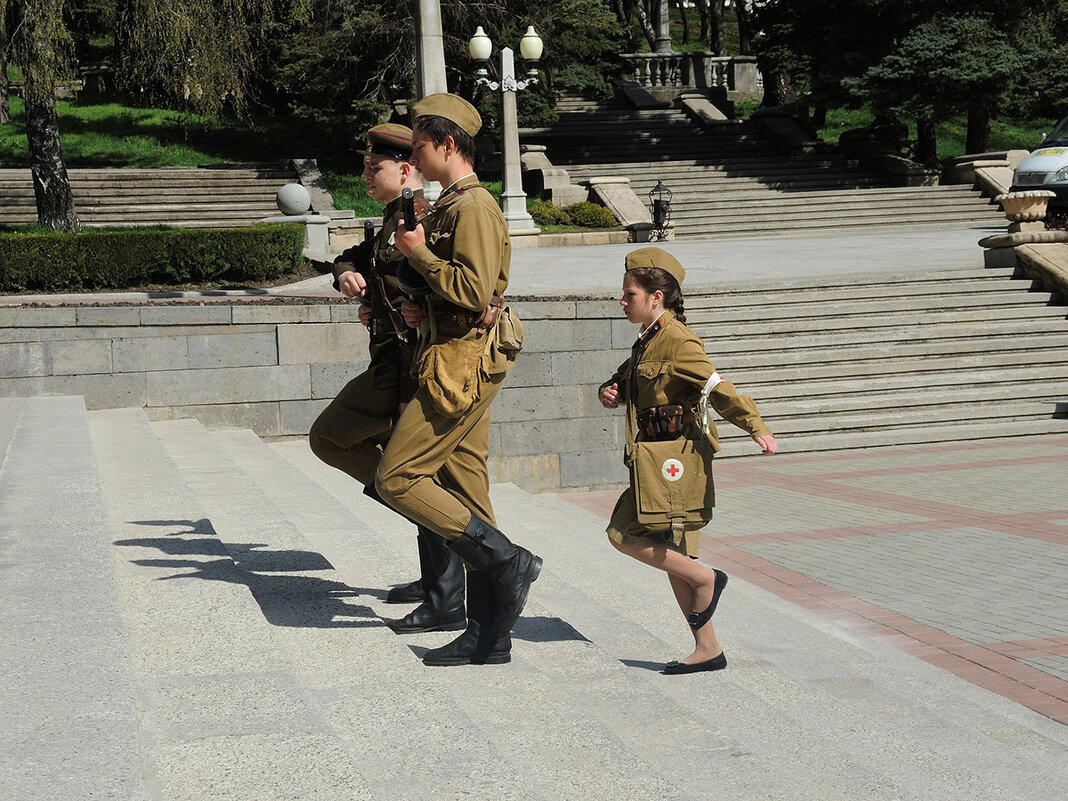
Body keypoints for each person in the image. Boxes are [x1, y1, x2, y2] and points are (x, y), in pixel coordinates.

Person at [380, 92, 541, 667]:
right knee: (469, 491)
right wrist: (422, 303)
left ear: (448, 145)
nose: (415, 158)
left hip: (460, 363)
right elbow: (465, 292)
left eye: (421, 147)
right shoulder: (452, 204)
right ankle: (489, 634)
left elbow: (474, 291)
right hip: (449, 349)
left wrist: (420, 257)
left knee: (397, 478)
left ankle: (506, 560)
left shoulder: (472, 207)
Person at [308, 124, 467, 636]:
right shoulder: (395, 215)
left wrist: (415, 307)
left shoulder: (421, 215)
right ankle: (433, 581)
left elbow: (459, 283)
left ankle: (446, 596)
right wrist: (346, 275)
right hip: (390, 360)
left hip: (411, 363)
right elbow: (364, 256)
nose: (364, 174)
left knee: (339, 440)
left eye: (372, 167)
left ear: (405, 170)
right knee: (413, 474)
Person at [599, 247, 778, 675]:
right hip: (655, 457)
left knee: (622, 533)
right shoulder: (649, 339)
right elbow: (629, 376)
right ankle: (707, 647)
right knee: (674, 551)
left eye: (630, 294)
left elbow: (717, 385)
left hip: (674, 460)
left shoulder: (678, 340)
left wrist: (755, 426)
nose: (622, 301)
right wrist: (612, 388)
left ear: (657, 297)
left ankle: (707, 580)